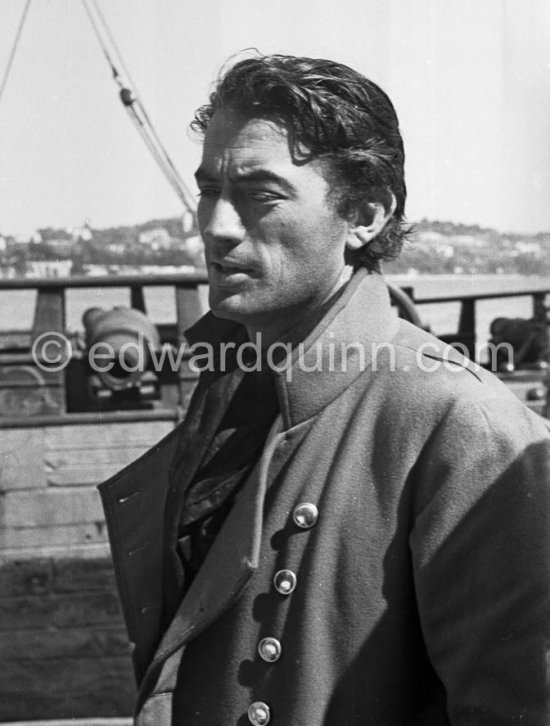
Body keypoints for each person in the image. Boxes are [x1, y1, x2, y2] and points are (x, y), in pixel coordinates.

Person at [99, 53, 550, 725]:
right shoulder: (230, 389)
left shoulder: (464, 426)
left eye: (260, 194)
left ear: (365, 214)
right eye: (209, 190)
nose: (216, 226)